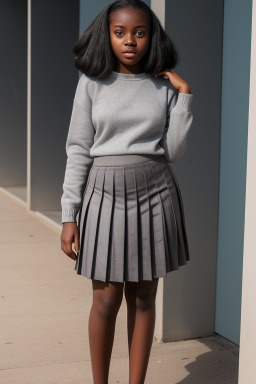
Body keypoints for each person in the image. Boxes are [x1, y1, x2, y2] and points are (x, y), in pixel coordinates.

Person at [60, 0, 194, 383]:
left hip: (155, 190)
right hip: (103, 194)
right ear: (108, 35)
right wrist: (70, 215)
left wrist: (182, 96)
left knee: (144, 297)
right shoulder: (92, 83)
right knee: (105, 299)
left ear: (151, 37)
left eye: (139, 32)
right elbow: (78, 149)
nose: (130, 41)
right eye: (120, 33)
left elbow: (173, 151)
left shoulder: (162, 85)